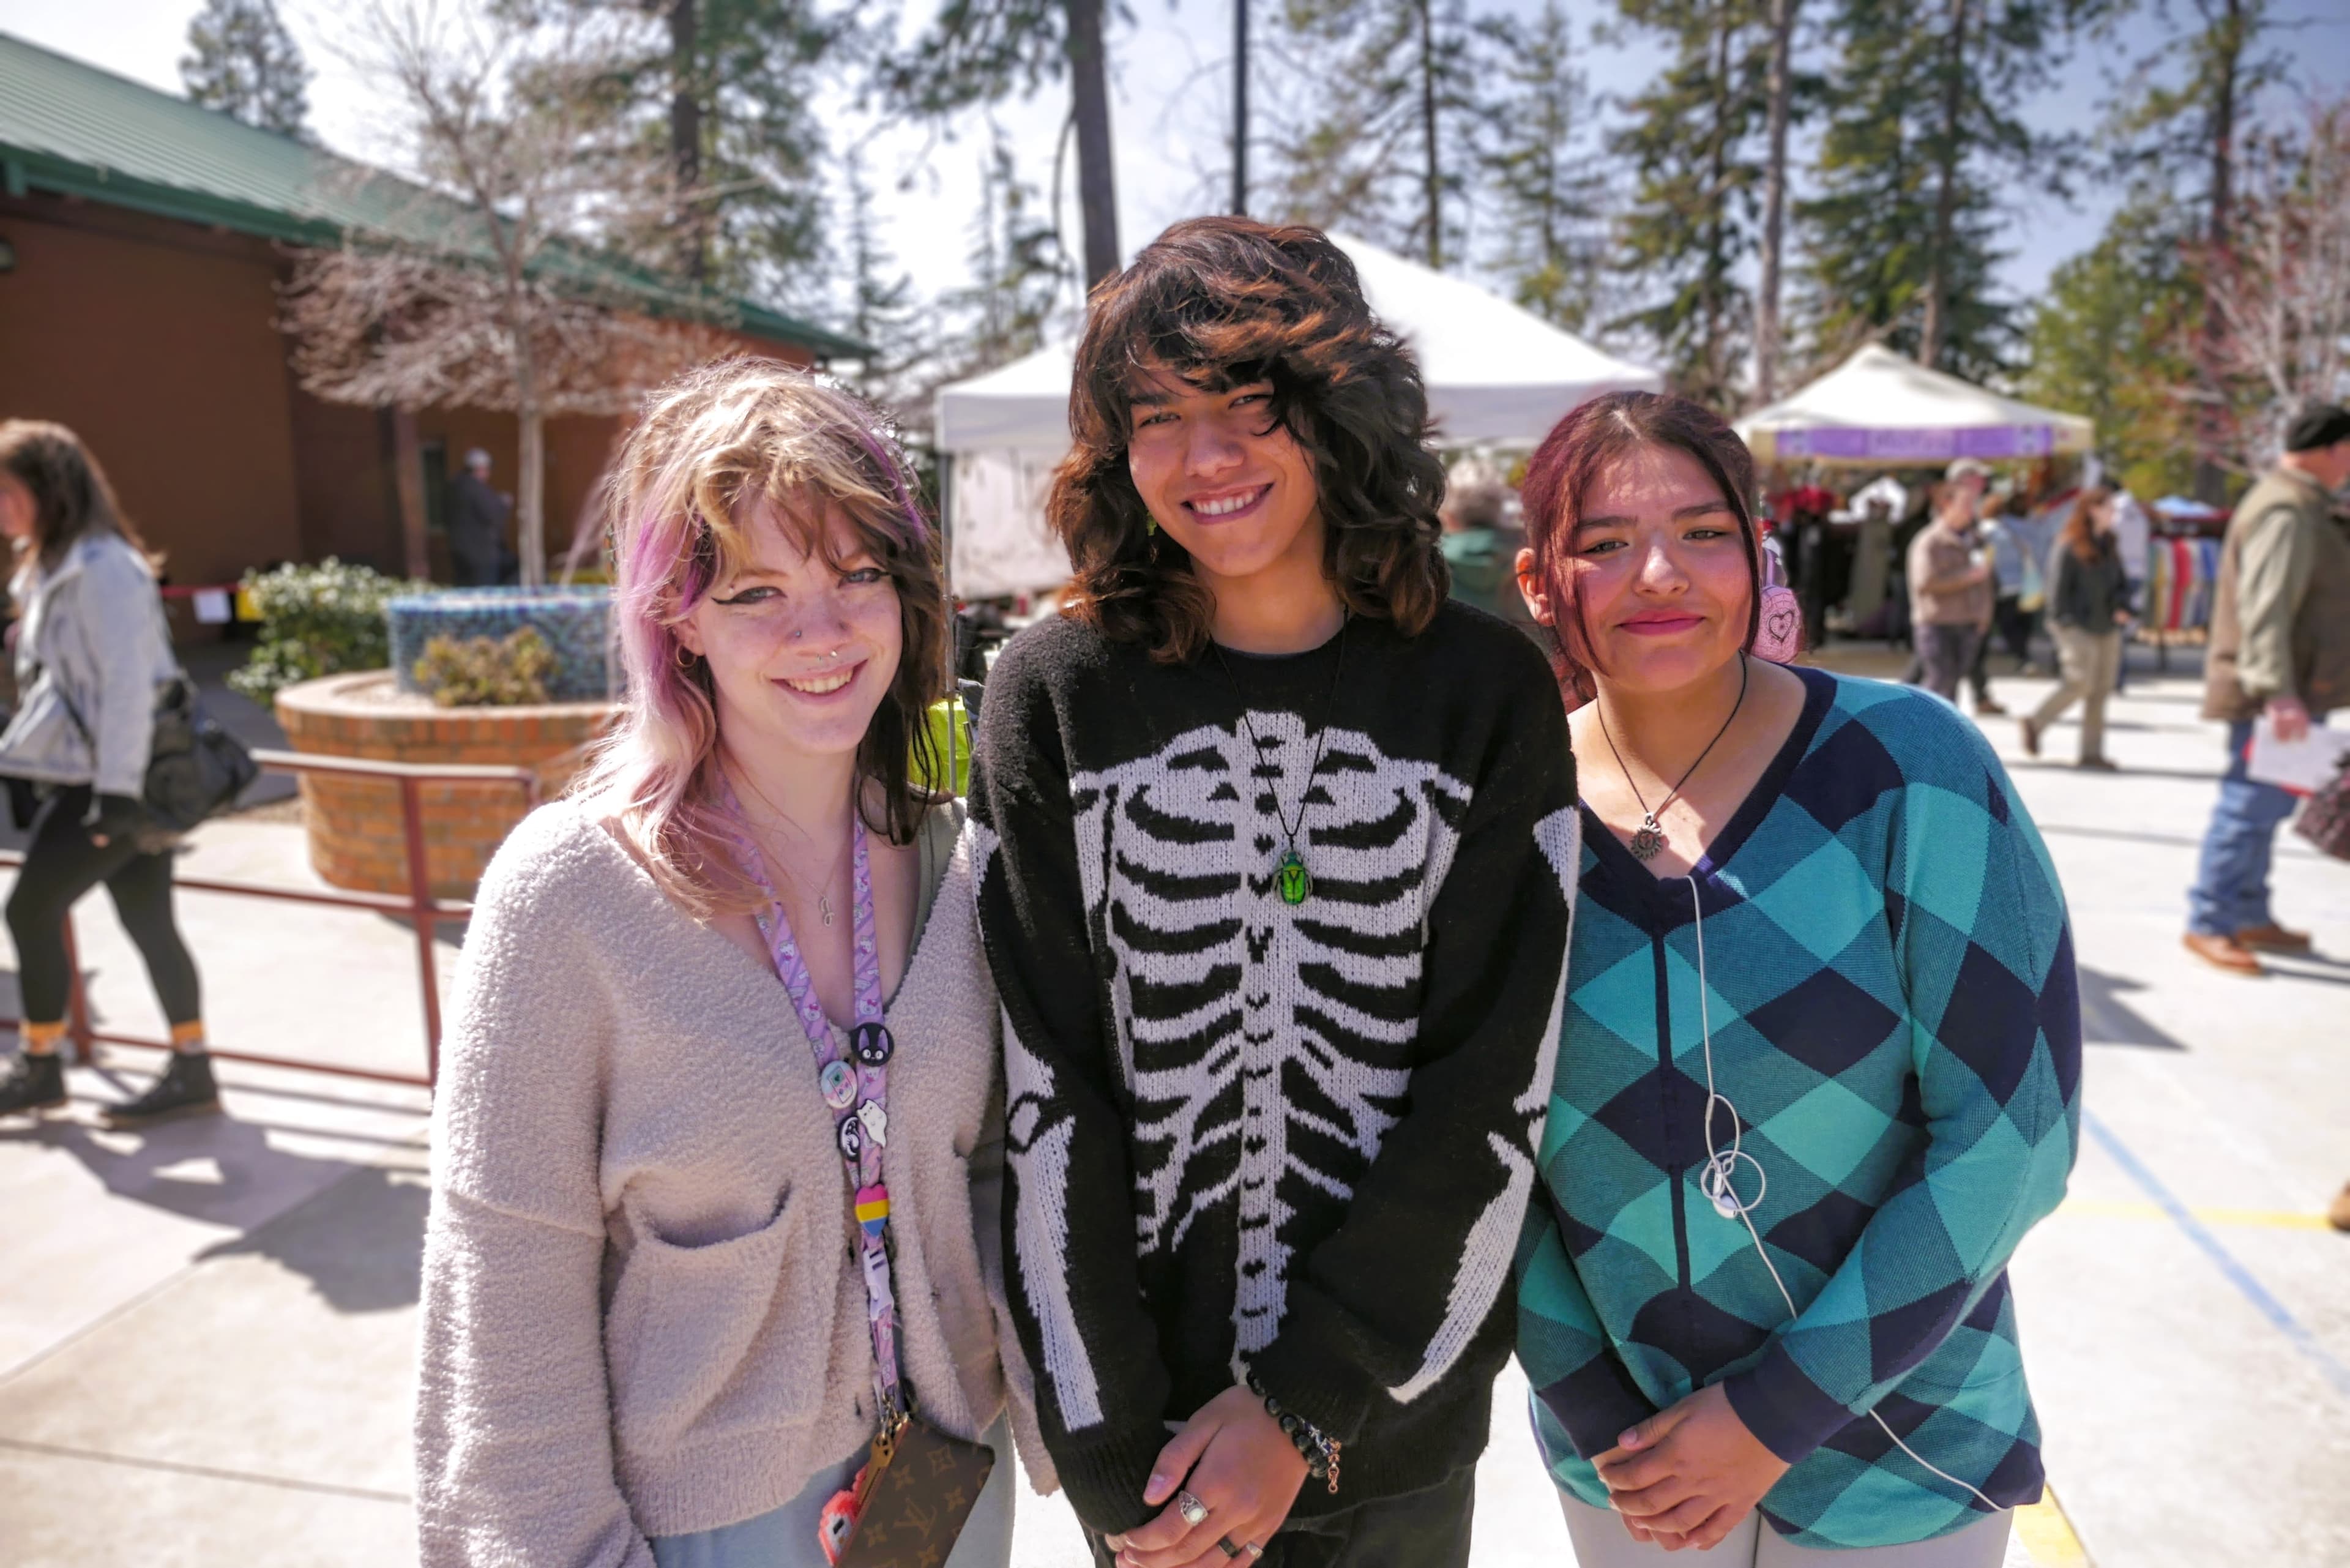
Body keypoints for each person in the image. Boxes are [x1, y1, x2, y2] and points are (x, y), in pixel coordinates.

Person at [969, 217, 1576, 1568]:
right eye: (1159, 418)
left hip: (1395, 1445)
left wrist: (1306, 1407)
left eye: (1252, 408)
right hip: (1154, 1459)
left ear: (1338, 414)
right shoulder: (1052, 696)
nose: (1206, 459)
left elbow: (1493, 1080)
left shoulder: (1483, 694)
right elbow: (1045, 1078)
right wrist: (1114, 1449)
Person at [413, 361, 1039, 1567]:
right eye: (757, 590)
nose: (822, 631)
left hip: (949, 1491)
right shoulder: (569, 899)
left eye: (860, 573)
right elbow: (502, 1302)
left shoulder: (963, 863)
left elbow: (1008, 1174)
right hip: (700, 1530)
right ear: (676, 619)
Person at [1510, 390, 2080, 1566]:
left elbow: (2014, 1131)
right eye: (1604, 544)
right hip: (1631, 1464)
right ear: (1536, 585)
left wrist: (1771, 1416)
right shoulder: (1502, 816)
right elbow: (1471, 1155)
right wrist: (1611, 1420)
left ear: (1757, 552)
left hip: (1905, 1445)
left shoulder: (1906, 765)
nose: (1659, 572)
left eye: (1704, 531)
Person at [0, 420, 213, 1126]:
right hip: (98, 777)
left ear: (49, 491)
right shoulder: (53, 566)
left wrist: (116, 796)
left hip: (119, 784)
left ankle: (41, 1067)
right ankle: (192, 1068)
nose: (1, 507)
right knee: (149, 920)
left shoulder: (103, 568)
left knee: (28, 910)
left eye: (9, 492)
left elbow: (128, 689)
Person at [2183, 401, 2350, 975]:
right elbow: (2266, 610)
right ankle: (2210, 919)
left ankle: (2247, 910)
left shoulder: (2301, 503)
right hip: (2277, 694)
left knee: (2270, 805)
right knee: (2248, 805)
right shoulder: (2288, 510)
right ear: (2333, 450)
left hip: (2296, 689)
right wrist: (2279, 693)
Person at [2020, 485, 2132, 769]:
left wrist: (2122, 606)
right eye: (2109, 508)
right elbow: (2056, 589)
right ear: (2092, 510)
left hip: (2106, 625)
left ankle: (2091, 753)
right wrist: (2063, 621)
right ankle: (2036, 722)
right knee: (2079, 681)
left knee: (2101, 689)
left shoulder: (2109, 543)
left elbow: (2119, 583)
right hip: (2075, 625)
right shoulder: (2069, 544)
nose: (2113, 514)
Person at [1905, 462, 1997, 709]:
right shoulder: (1929, 541)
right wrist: (1966, 577)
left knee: (1951, 686)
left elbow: (1985, 581)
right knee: (1939, 685)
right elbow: (1925, 582)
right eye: (1965, 505)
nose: (1971, 511)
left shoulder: (1974, 539)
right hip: (1937, 624)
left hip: (1967, 624)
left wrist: (1984, 616)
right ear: (1946, 505)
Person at [445, 447, 515, 586]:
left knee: (464, 593)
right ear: (481, 469)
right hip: (481, 555)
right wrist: (503, 504)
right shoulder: (477, 489)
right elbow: (493, 515)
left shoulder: (453, 487)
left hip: (458, 551)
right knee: (484, 594)